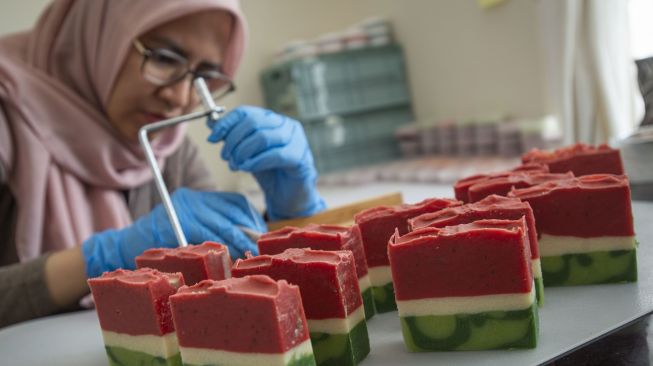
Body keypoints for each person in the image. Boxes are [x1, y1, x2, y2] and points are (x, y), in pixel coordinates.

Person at [0, 0, 325, 328]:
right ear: (102, 32)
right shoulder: (6, 118)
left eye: (203, 76)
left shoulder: (170, 146)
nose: (180, 98)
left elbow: (229, 274)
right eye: (163, 58)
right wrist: (98, 257)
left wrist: (291, 217)